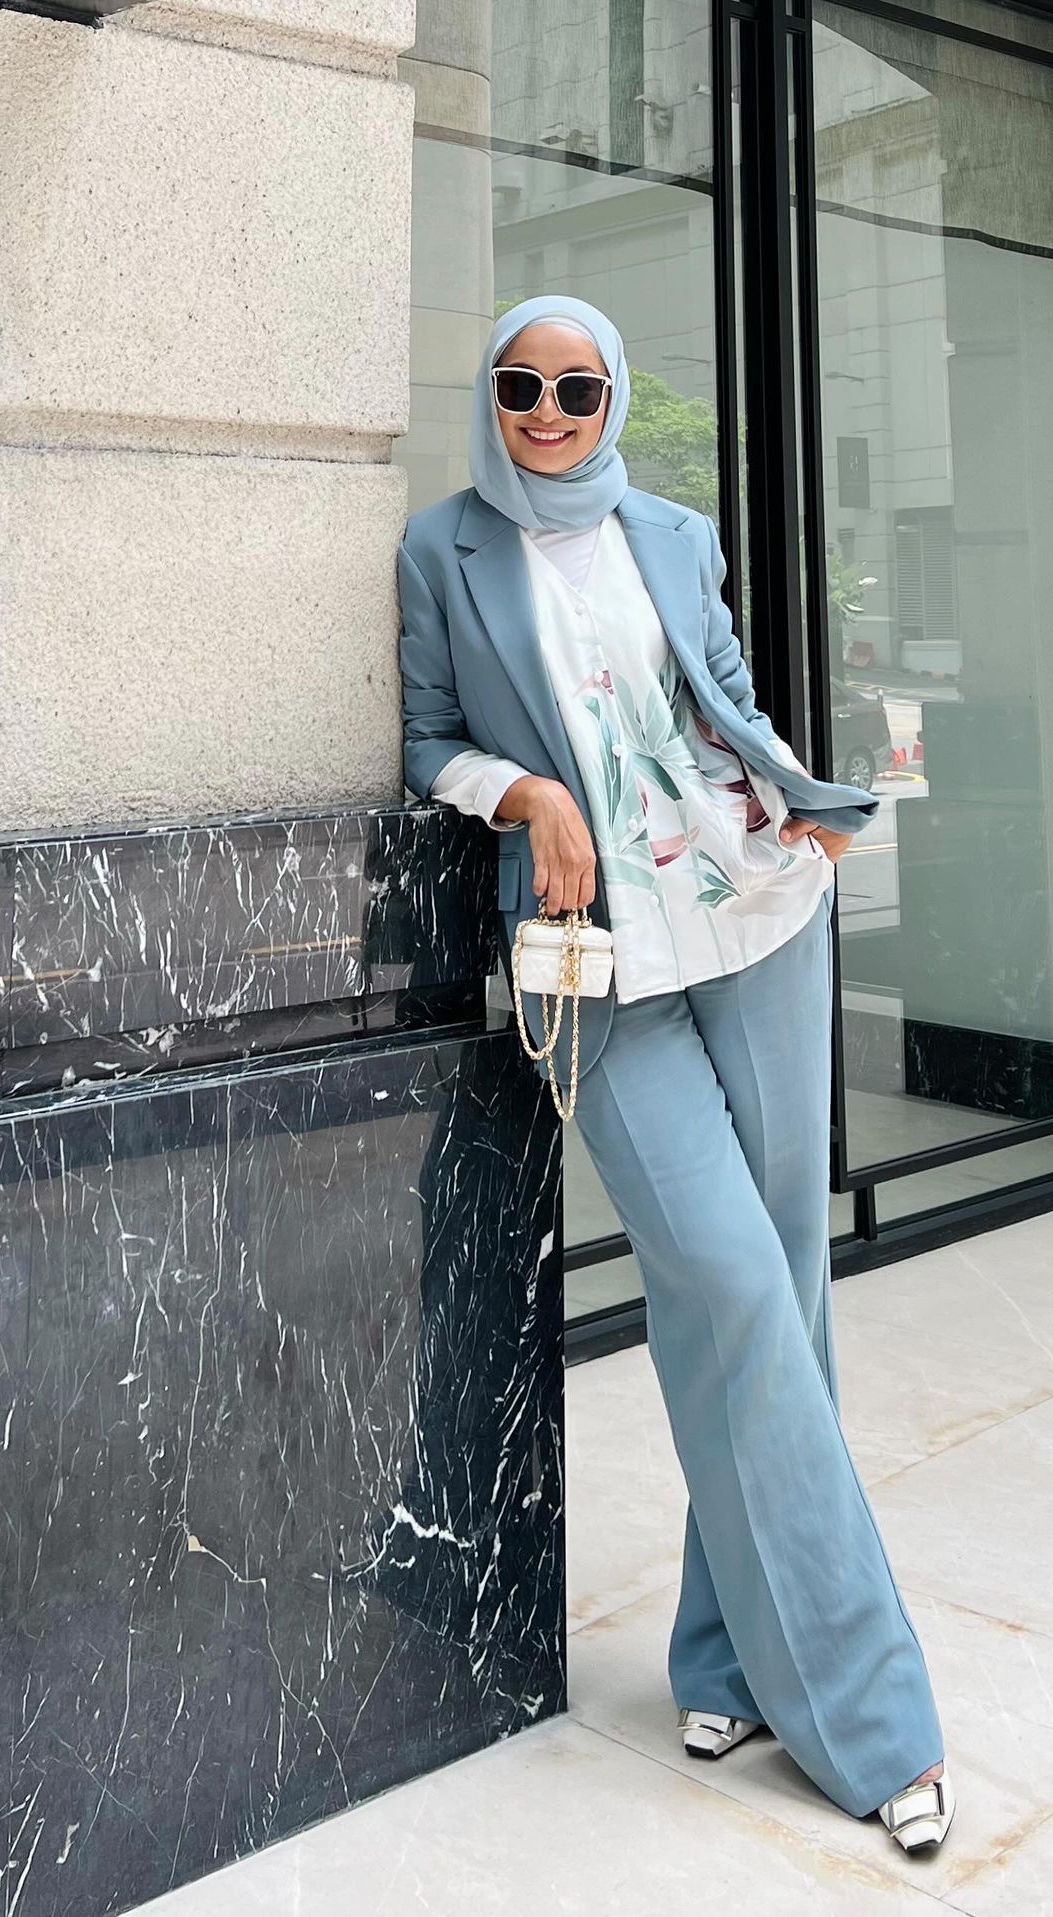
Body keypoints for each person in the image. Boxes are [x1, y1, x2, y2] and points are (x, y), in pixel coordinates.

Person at [397, 293, 955, 1854]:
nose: (547, 411)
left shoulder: (676, 532)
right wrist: (524, 795)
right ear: (494, 397)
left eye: (576, 387)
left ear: (614, 397)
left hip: (754, 910)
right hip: (596, 955)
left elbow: (724, 700)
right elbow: (426, 738)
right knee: (729, 1282)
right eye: (521, 384)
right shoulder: (443, 548)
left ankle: (723, 1658)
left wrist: (794, 802)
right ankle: (870, 1714)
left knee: (781, 1285)